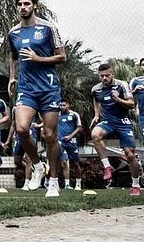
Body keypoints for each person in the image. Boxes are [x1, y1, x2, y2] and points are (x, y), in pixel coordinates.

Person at [7, 0, 66, 198]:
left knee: (50, 136)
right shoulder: (13, 32)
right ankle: (38, 166)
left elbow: (62, 57)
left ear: (34, 6)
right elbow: (13, 56)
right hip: (27, 89)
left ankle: (53, 182)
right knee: (22, 129)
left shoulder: (48, 28)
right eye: (20, 4)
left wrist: (38, 59)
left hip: (49, 88)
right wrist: (12, 77)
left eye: (27, 4)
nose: (23, 7)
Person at [90, 63, 140, 196]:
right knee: (95, 134)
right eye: (102, 76)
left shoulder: (121, 85)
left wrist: (118, 99)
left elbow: (131, 104)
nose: (104, 78)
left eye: (107, 75)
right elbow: (96, 100)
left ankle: (135, 184)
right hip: (108, 122)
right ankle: (107, 167)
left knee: (130, 155)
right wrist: (96, 115)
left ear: (113, 75)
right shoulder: (96, 89)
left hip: (124, 122)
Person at [3, 106, 39, 191]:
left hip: (31, 135)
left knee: (28, 159)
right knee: (17, 161)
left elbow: (42, 120)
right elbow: (13, 124)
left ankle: (26, 183)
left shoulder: (34, 105)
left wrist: (39, 126)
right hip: (19, 137)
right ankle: (33, 171)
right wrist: (8, 140)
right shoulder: (15, 108)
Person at [57, 98, 83, 190]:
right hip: (60, 141)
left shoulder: (74, 114)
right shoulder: (57, 115)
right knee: (64, 162)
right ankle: (67, 184)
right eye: (60, 105)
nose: (62, 107)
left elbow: (79, 128)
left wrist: (70, 136)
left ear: (68, 105)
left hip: (72, 142)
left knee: (75, 163)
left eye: (64, 105)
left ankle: (78, 184)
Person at [130, 57, 144, 139]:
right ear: (140, 67)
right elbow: (126, 96)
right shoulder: (136, 81)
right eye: (143, 65)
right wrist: (135, 90)